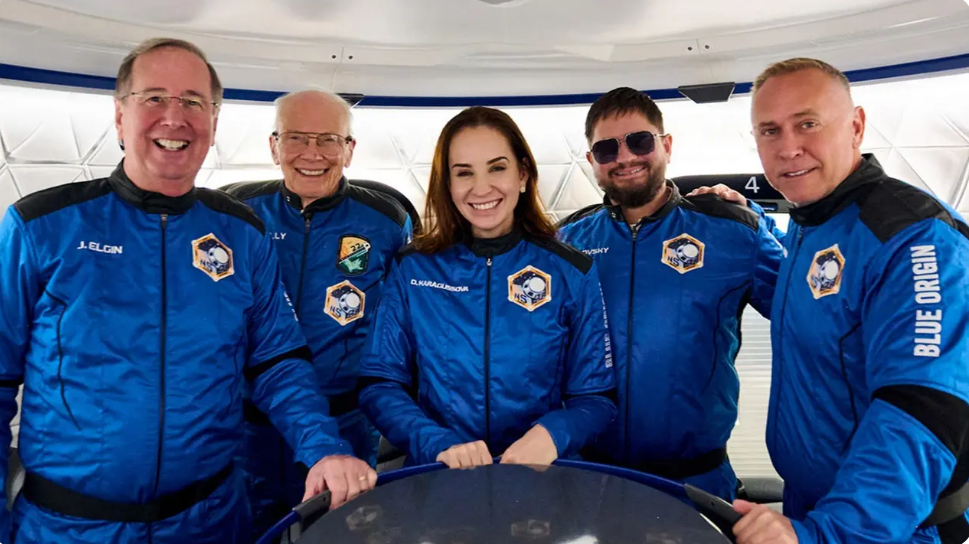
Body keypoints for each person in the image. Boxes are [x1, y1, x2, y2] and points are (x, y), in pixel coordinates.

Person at [0, 38, 374, 544]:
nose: (175, 117)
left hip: (213, 521)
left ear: (213, 123)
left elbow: (278, 361)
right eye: (155, 97)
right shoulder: (39, 226)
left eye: (194, 102)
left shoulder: (243, 233)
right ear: (120, 116)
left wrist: (323, 447)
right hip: (68, 527)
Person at [730, 58, 969, 544]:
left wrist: (830, 534)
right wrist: (748, 219)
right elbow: (813, 308)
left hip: (887, 526)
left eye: (808, 124)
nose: (788, 147)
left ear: (856, 126)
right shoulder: (814, 221)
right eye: (770, 131)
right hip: (813, 504)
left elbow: (922, 409)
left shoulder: (912, 237)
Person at [557, 87, 785, 501]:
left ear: (667, 145)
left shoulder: (732, 231)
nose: (625, 157)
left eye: (640, 141)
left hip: (697, 480)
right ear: (592, 160)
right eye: (607, 148)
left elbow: (810, 308)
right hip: (590, 478)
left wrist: (760, 219)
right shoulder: (566, 243)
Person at [357, 106, 617, 468]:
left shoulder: (572, 271)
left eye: (497, 168)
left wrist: (552, 436)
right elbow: (379, 385)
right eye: (464, 173)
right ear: (447, 185)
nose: (481, 188)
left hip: (540, 476)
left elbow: (597, 397)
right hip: (439, 474)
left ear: (523, 174)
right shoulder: (411, 269)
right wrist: (437, 443)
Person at [221, 89, 411, 540]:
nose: (312, 154)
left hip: (347, 422)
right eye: (296, 138)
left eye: (328, 139)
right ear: (274, 147)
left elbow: (403, 323)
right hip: (249, 426)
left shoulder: (386, 220)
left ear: (349, 149)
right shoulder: (237, 215)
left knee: (342, 534)